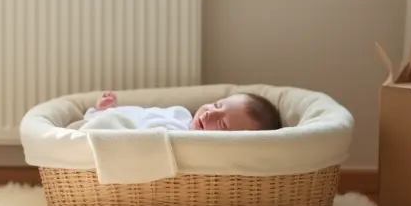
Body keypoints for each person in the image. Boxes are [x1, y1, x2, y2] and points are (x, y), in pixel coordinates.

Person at [79, 91, 282, 132]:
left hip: (107, 135)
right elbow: (142, 114)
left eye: (222, 124)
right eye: (217, 105)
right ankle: (97, 114)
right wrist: (109, 110)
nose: (210, 113)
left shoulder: (192, 147)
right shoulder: (181, 114)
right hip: (108, 122)